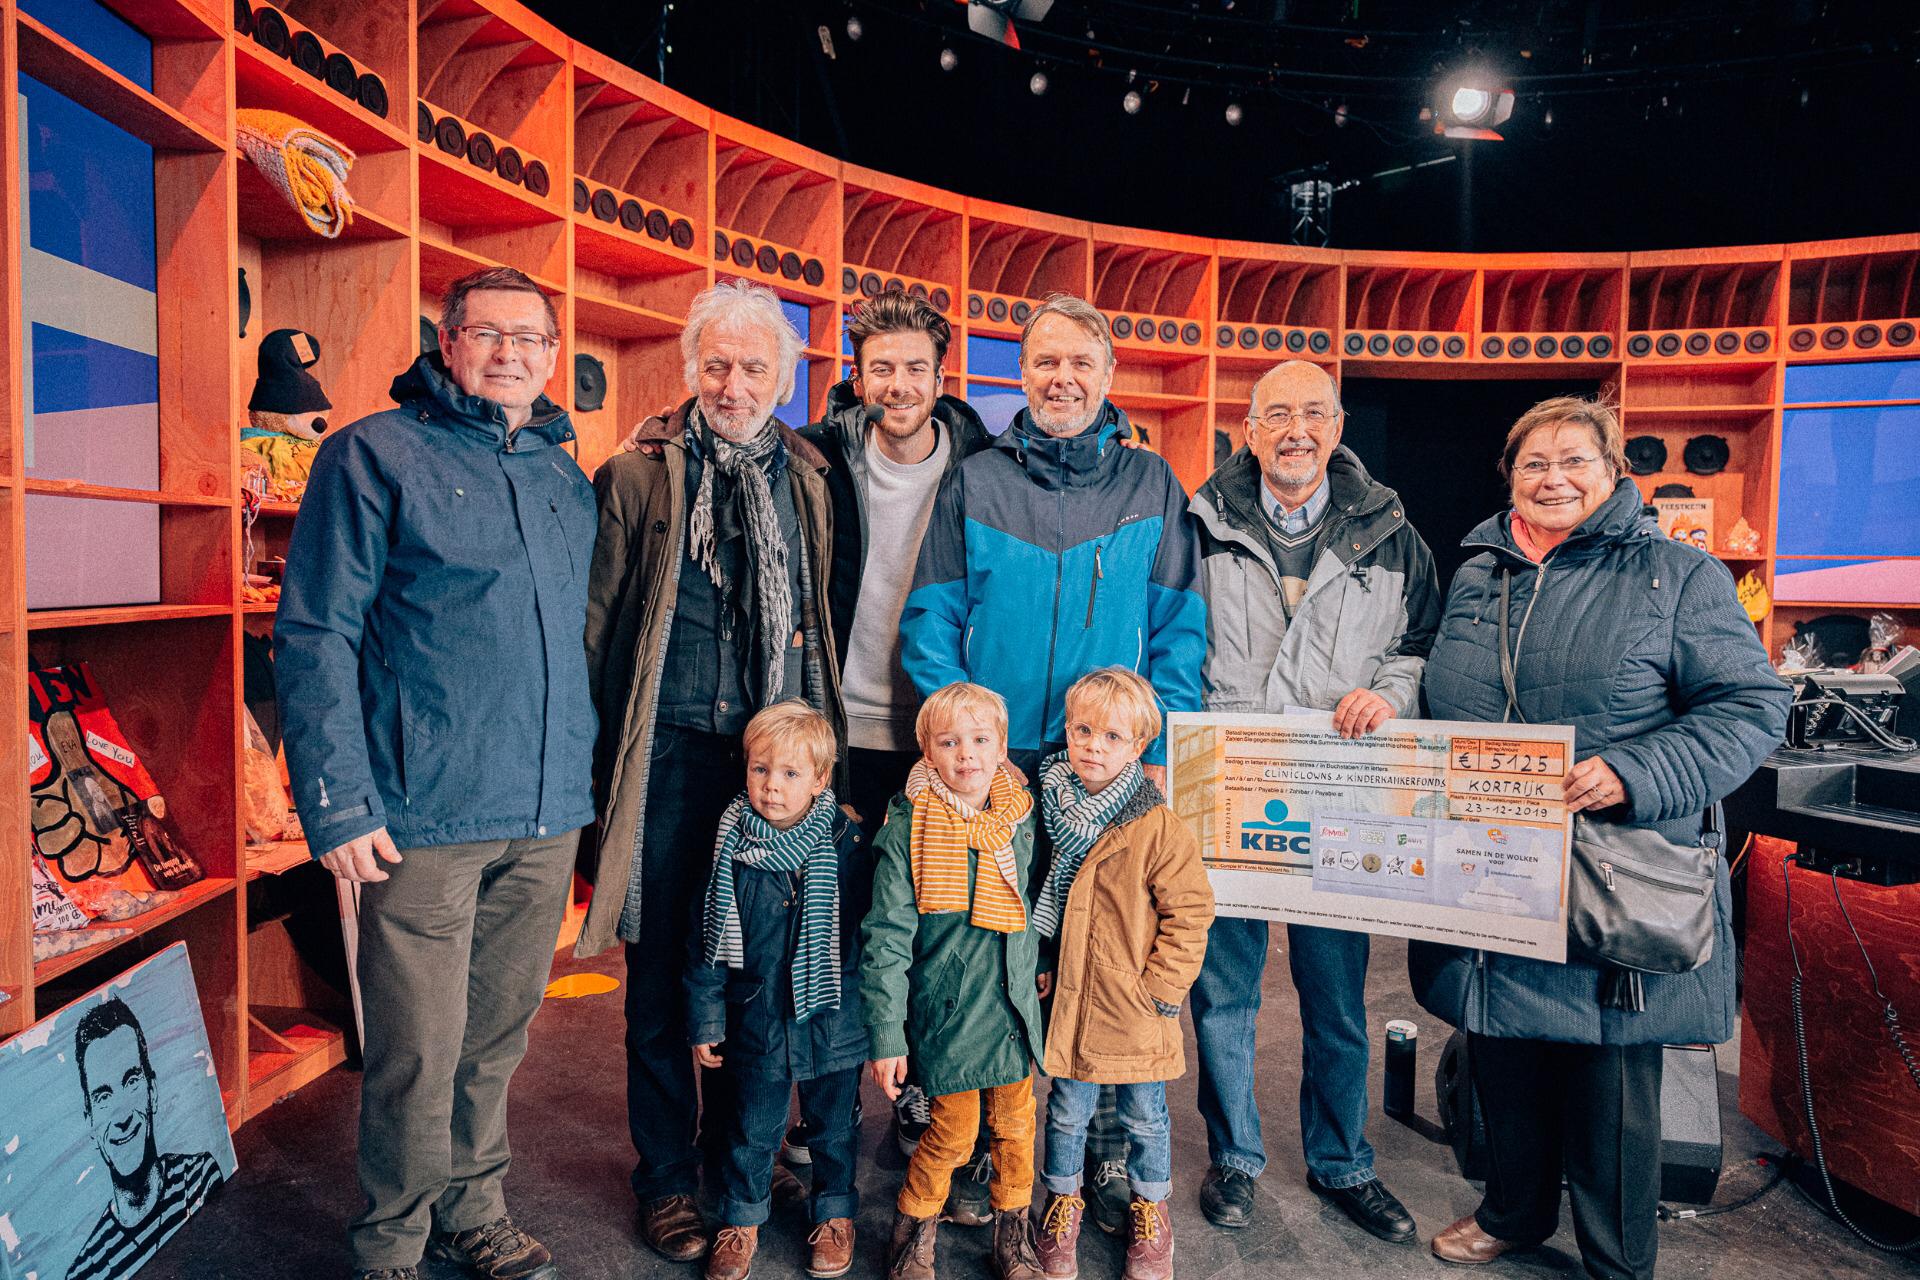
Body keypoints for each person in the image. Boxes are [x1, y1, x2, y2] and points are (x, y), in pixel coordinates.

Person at [1411, 396, 1790, 1278]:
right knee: (1498, 1047)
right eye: (1534, 462)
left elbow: (1753, 705)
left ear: (1614, 471)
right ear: (1510, 476)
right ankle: (1512, 1212)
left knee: (1609, 1086)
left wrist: (1636, 773)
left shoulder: (1678, 576)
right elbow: (1435, 691)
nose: (1554, 478)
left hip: (1611, 874)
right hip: (1489, 866)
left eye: (1575, 460)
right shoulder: (1476, 573)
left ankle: (1617, 1259)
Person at [277, 265, 592, 1280]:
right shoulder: (372, 454)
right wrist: (336, 797)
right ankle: (393, 1245)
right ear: (446, 342)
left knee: (496, 1034)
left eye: (531, 338)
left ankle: (475, 1206)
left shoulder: (563, 475)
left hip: (545, 809)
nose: (511, 353)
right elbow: (317, 631)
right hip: (422, 809)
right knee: (416, 1047)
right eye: (488, 333)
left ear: (552, 355)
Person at [899, 293, 1206, 1231]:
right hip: (1000, 774)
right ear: (1019, 377)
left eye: (1081, 363)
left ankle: (1099, 1160)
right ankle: (996, 1151)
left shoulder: (1153, 485)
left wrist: (1155, 753)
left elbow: (1179, 633)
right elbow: (932, 620)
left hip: (1109, 774)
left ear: (1108, 378)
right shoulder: (976, 481)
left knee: (1103, 960)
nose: (1061, 379)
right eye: (1043, 364)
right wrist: (966, 747)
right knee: (993, 955)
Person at [578, 279, 842, 1263]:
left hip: (771, 762)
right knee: (661, 972)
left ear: (784, 376)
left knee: (754, 966)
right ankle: (666, 1177)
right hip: (670, 759)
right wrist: (595, 771)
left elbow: (822, 609)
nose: (736, 385)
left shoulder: (809, 474)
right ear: (692, 368)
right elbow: (598, 624)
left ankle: (746, 1151)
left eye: (755, 367)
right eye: (718, 365)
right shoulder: (639, 471)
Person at [1185, 359, 1439, 1243]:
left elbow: (1421, 643)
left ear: (1338, 426)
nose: (1296, 430)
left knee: (1336, 1001)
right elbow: (1169, 642)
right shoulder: (1197, 524)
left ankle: (1341, 1164)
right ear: (1248, 429)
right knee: (1225, 997)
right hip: (1227, 793)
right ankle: (1236, 1159)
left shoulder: (1394, 531)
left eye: (1314, 413)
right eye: (1276, 415)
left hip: (1341, 800)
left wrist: (1393, 696)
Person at [799, 288, 992, 1164]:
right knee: (834, 929)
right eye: (882, 367)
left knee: (931, 926)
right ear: (859, 375)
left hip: (938, 733)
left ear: (939, 373)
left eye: (916, 367)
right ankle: (825, 1113)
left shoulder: (983, 462)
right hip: (841, 732)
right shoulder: (818, 457)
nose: (900, 383)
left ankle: (922, 1097)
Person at [1030, 669, 1214, 1280]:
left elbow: (1189, 914)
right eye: (1083, 730)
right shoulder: (1054, 805)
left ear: (1139, 746)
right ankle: (1060, 1207)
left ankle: (1151, 1215)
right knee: (1065, 1111)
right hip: (1074, 1002)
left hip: (1133, 1006)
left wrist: (1159, 993)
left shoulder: (1155, 826)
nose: (1093, 746)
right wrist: (1045, 965)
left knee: (1145, 1117)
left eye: (1112, 736)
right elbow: (1051, 904)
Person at [860, 683, 1047, 1280]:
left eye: (980, 740)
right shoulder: (909, 826)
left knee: (1018, 1131)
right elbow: (886, 937)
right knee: (952, 1135)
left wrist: (1037, 961)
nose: (966, 754)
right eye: (949, 742)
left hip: (1013, 1007)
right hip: (951, 1012)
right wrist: (888, 1035)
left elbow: (1038, 900)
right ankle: (912, 1237)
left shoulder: (1020, 814)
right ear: (927, 751)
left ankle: (1013, 1238)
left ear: (1001, 748)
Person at [688, 702, 869, 1280]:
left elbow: (876, 932)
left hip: (835, 1017)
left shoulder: (848, 845)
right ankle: (741, 1221)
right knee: (752, 1126)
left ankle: (835, 1214)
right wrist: (707, 1019)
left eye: (791, 774)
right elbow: (707, 941)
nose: (772, 786)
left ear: (820, 780)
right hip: (759, 1017)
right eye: (761, 769)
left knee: (834, 1128)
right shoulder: (729, 850)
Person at [66, 998, 224, 1280]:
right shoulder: (86, 1270)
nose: (121, 1114)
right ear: (90, 1122)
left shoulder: (199, 1179)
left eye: (131, 1082)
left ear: (152, 1091)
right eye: (103, 1097)